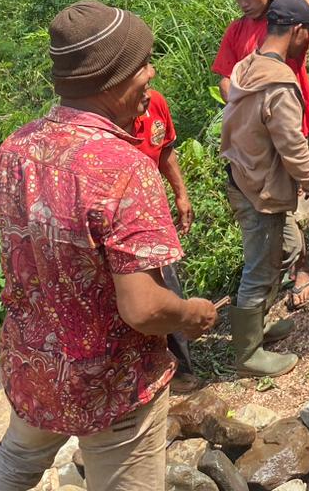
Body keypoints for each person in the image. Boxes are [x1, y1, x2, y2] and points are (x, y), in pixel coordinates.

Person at [0, 1, 216, 491]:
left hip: (34, 364)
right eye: (142, 64)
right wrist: (191, 313)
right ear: (111, 78)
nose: (151, 73)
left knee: (17, 457)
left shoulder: (14, 149)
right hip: (110, 383)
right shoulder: (124, 170)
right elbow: (144, 309)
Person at [220, 0, 309, 377]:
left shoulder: (246, 66)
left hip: (243, 177)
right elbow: (292, 146)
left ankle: (258, 326)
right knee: (259, 268)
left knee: (289, 248)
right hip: (261, 190)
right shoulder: (279, 84)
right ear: (298, 31)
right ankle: (247, 354)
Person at [213, 0, 309, 309]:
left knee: (287, 200)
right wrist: (246, 105)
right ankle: (270, 283)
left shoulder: (282, 22)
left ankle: (298, 268)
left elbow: (307, 16)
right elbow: (225, 79)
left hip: (287, 124)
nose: (243, 2)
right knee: (274, 202)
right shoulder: (238, 31)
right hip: (257, 134)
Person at [129, 86, 198, 392]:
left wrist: (180, 194)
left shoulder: (154, 102)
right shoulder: (107, 125)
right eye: (139, 85)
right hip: (124, 224)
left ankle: (180, 369)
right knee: (139, 296)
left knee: (169, 286)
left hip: (154, 215)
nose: (147, 91)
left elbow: (165, 149)